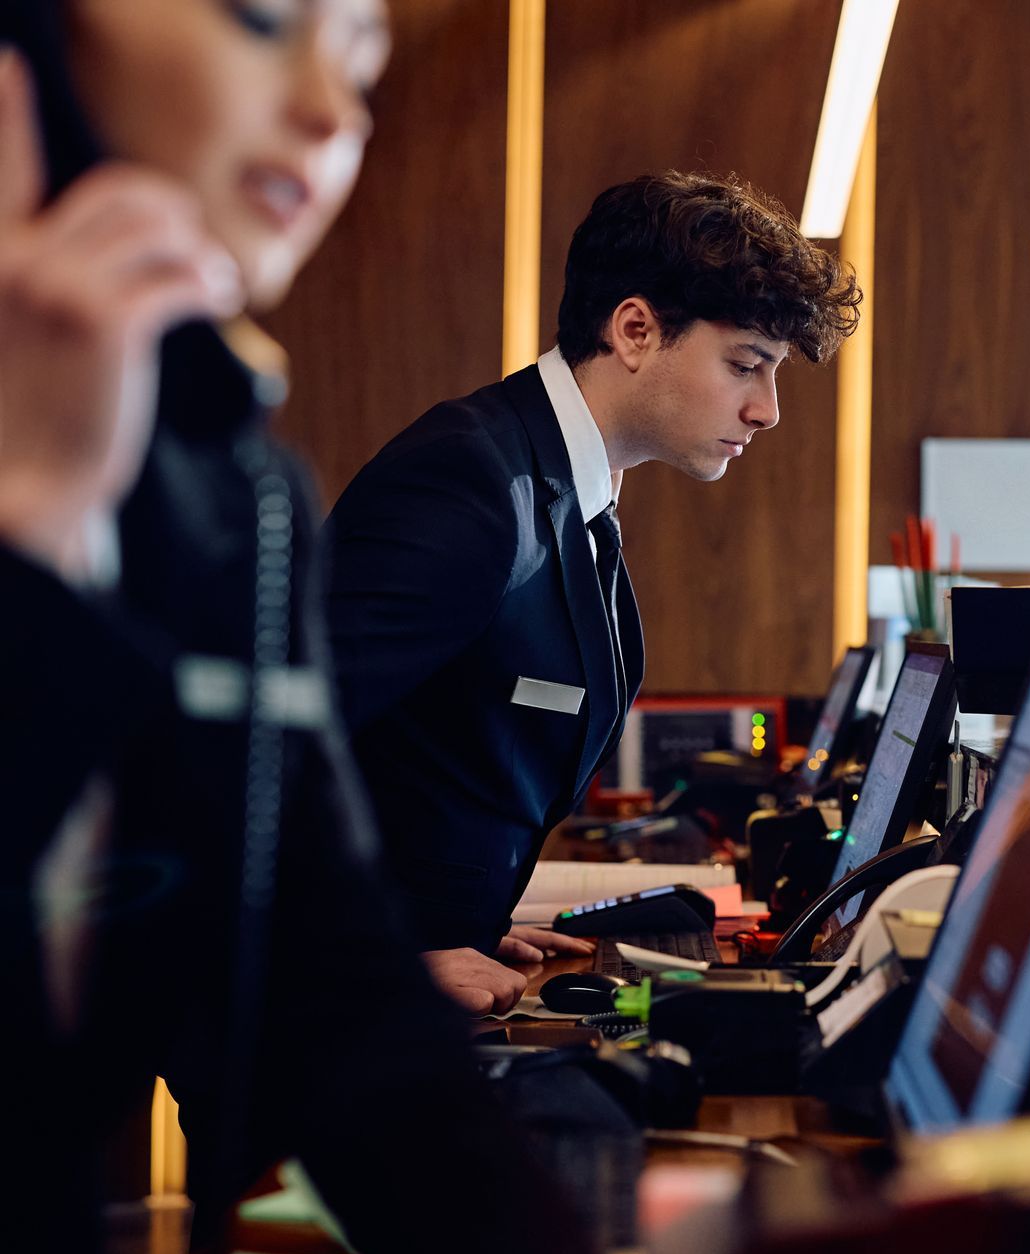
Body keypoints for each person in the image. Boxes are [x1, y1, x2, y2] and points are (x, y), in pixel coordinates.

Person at [0, 2, 594, 1254]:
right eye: (266, 18)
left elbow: (334, 995)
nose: (335, 113)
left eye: (367, 60)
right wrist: (33, 541)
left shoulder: (230, 495)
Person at [324, 173, 860, 1011]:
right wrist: (378, 951)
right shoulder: (469, 480)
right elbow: (268, 752)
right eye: (747, 365)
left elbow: (427, 755)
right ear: (636, 330)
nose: (767, 410)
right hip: (318, 1018)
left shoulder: (573, 484)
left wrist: (455, 917)